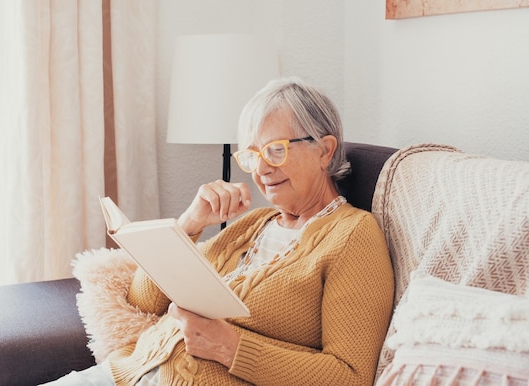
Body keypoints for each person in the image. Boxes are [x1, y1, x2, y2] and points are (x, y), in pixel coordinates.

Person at [44, 77, 394, 385]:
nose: (262, 169)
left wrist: (231, 348)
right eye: (253, 155)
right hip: (126, 373)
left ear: (325, 150)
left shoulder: (353, 236)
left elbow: (351, 375)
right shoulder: (251, 226)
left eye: (275, 150)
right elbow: (144, 301)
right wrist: (188, 225)